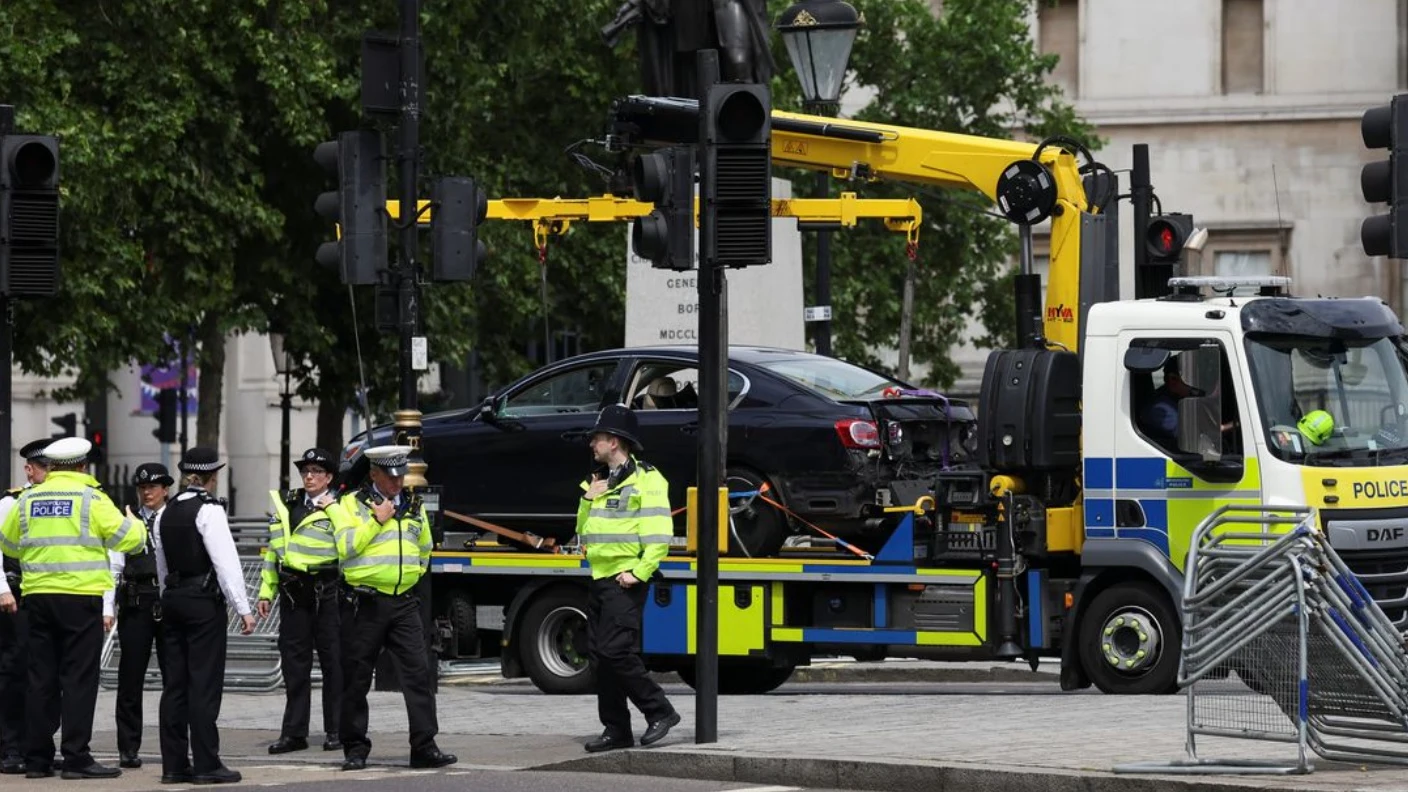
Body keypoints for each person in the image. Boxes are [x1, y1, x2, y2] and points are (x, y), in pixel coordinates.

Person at [0, 436, 145, 779]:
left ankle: (36, 759)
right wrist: (135, 522)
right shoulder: (91, 498)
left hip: (36, 598)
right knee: (78, 679)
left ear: (51, 466)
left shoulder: (28, 499)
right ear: (82, 465)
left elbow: (9, 544)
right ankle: (76, 757)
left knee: (40, 679)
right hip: (80, 599)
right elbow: (130, 540)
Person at [328, 445, 455, 771]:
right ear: (374, 474)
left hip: (403, 603)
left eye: (400, 476)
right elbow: (345, 548)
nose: (397, 483)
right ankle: (355, 748)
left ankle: (424, 746)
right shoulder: (351, 504)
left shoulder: (413, 506)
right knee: (356, 679)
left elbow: (424, 548)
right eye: (390, 477)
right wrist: (375, 520)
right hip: (364, 604)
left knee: (419, 675)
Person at [577, 405, 679, 753]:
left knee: (615, 650)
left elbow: (659, 533)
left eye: (598, 438)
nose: (592, 443)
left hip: (626, 579)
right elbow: (582, 530)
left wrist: (639, 572)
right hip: (600, 577)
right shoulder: (598, 479)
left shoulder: (648, 479)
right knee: (599, 657)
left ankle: (660, 711)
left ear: (615, 441)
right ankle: (616, 729)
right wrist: (587, 499)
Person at [153, 447, 254, 785]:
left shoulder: (166, 511)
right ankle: (207, 763)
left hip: (173, 599)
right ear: (213, 477)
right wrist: (243, 607)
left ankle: (174, 764)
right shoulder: (209, 511)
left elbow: (162, 565)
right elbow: (226, 563)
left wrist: (169, 594)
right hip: (201, 602)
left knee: (175, 685)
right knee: (203, 684)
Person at [257, 447, 343, 755]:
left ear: (329, 477)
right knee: (295, 666)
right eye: (305, 471)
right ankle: (294, 733)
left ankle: (336, 730)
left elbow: (351, 544)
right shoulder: (287, 503)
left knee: (334, 664)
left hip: (327, 590)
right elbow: (273, 553)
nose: (309, 477)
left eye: (316, 472)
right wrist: (265, 592)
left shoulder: (340, 506)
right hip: (293, 591)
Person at [102, 462, 173, 769]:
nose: (147, 493)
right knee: (130, 678)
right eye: (143, 488)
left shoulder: (175, 518)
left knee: (175, 677)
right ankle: (128, 748)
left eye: (153, 487)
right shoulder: (128, 521)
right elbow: (114, 566)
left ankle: (175, 744)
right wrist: (108, 607)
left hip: (169, 600)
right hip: (136, 601)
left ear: (165, 489)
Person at [0, 439, 51, 775]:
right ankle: (9, 746)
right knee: (13, 672)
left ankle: (37, 746)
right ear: (29, 470)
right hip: (15, 596)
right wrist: (3, 589)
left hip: (44, 595)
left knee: (42, 674)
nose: (48, 473)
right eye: (43, 467)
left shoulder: (59, 501)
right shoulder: (11, 502)